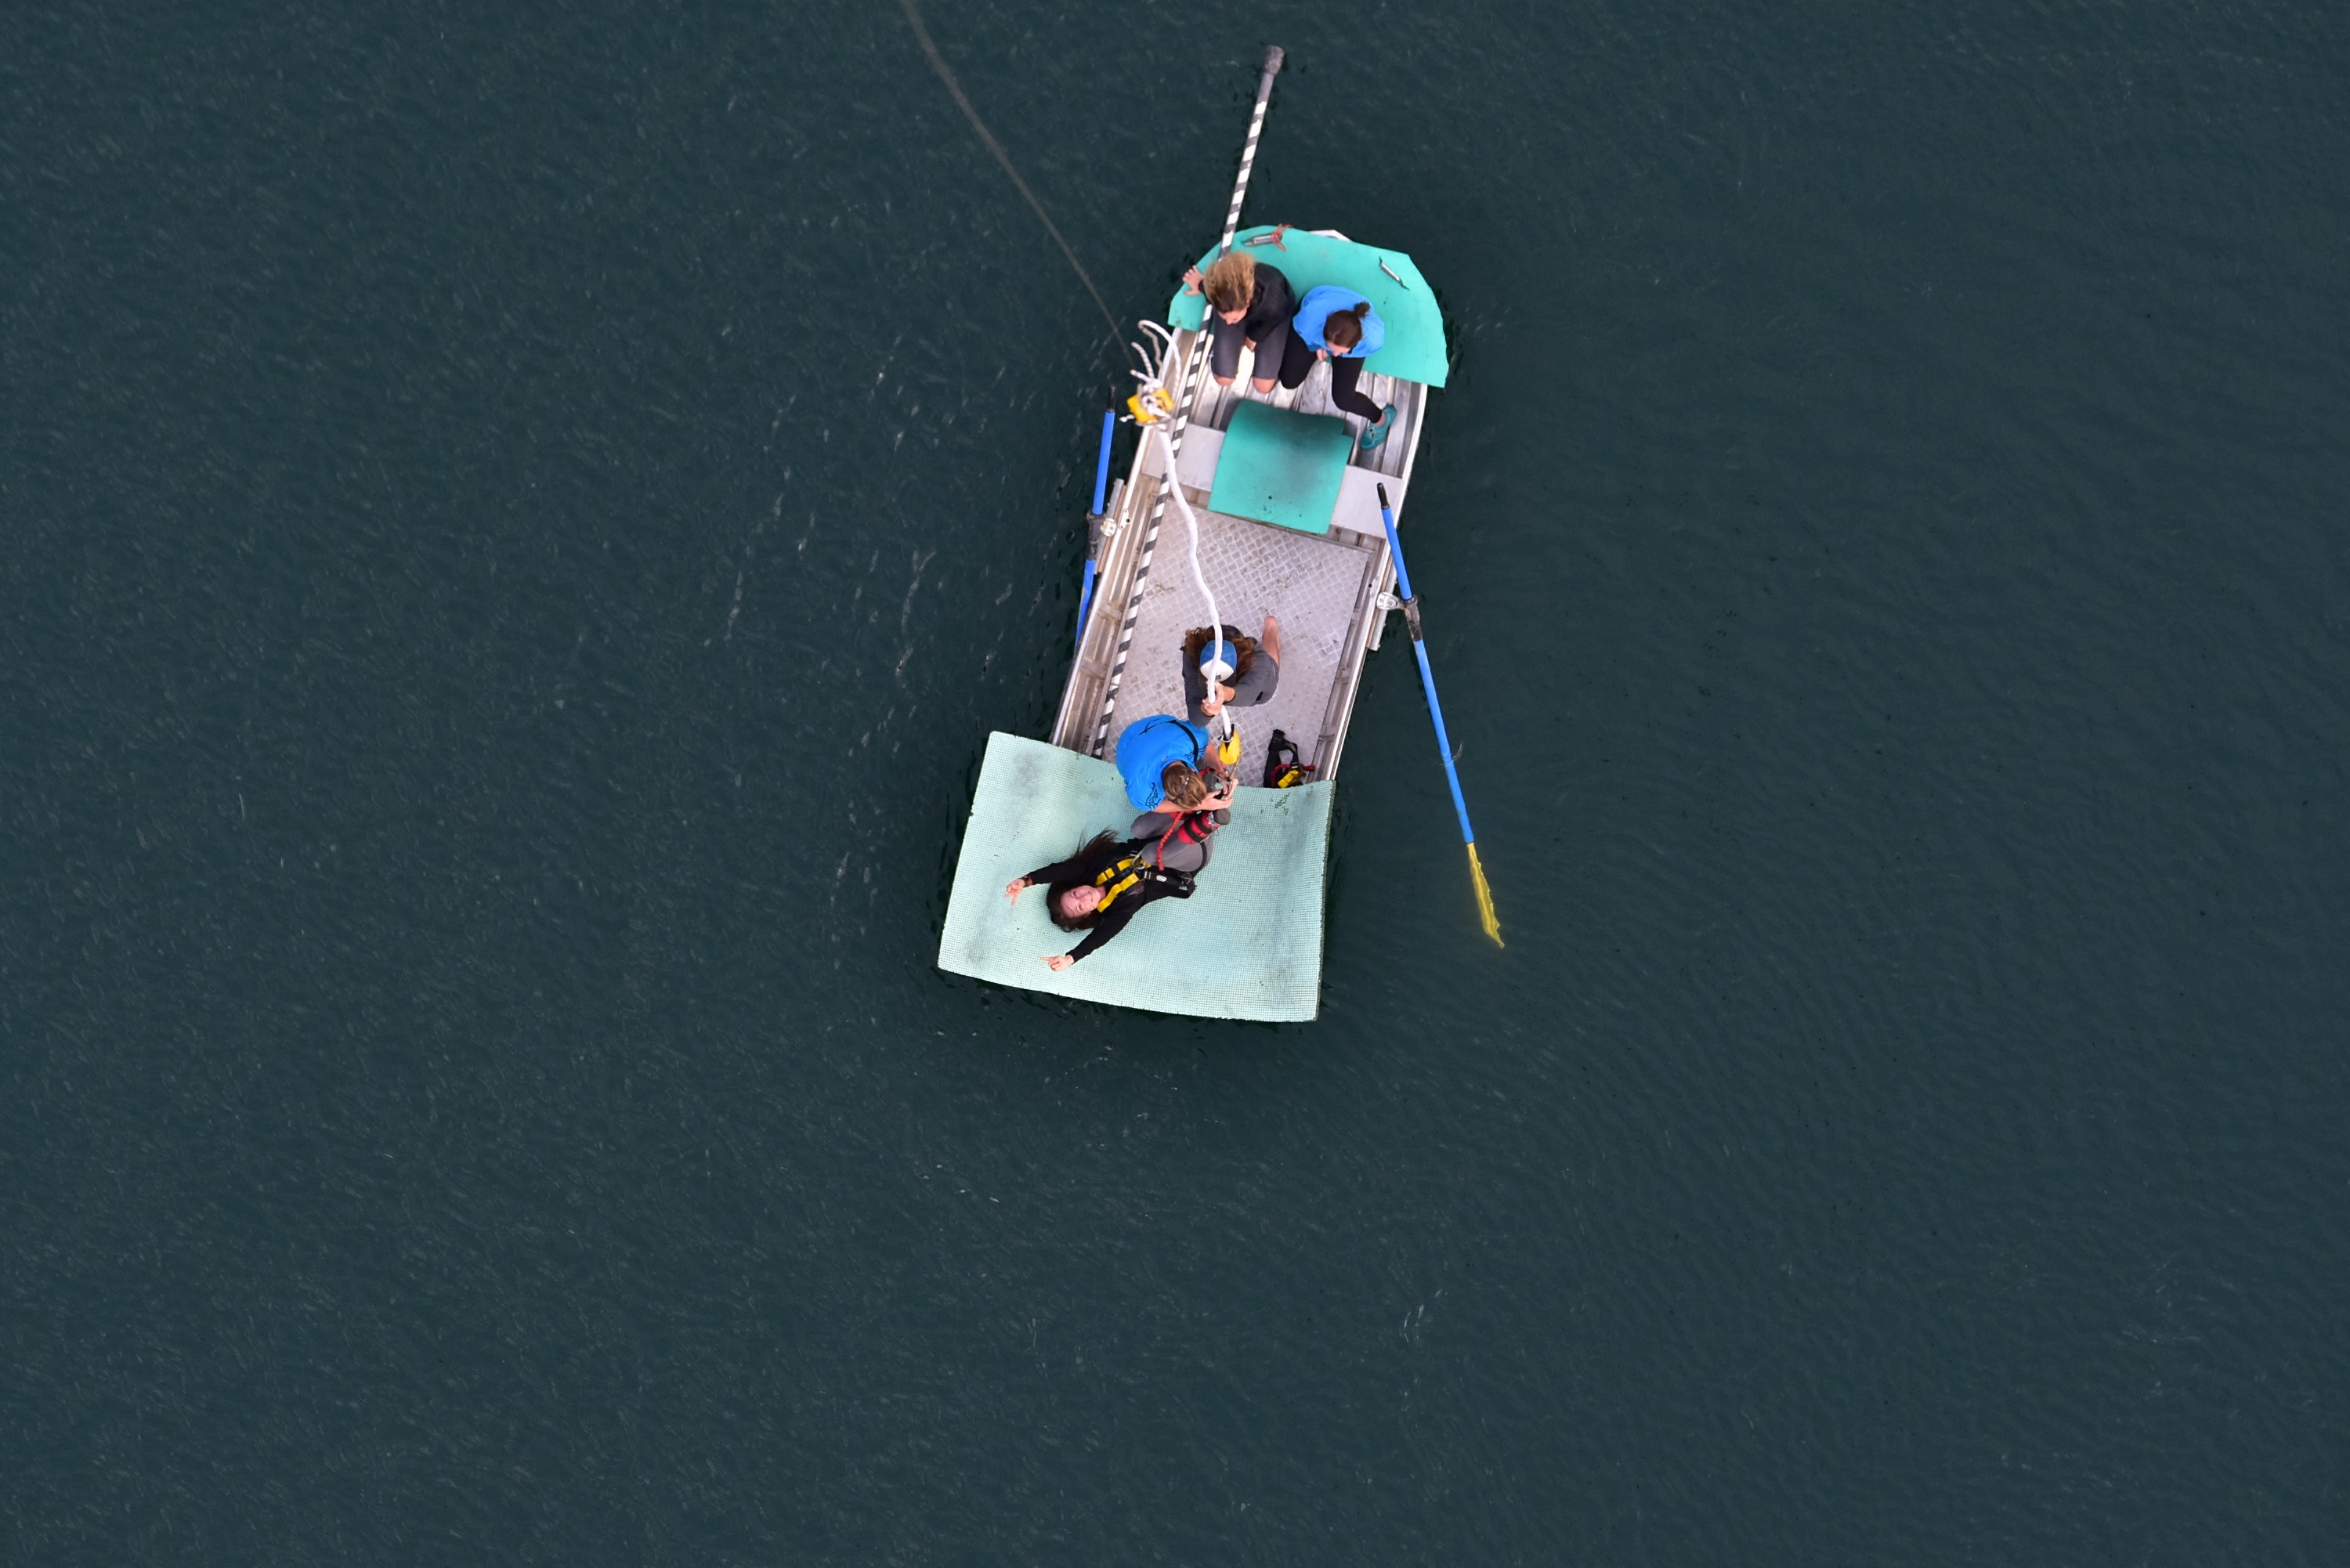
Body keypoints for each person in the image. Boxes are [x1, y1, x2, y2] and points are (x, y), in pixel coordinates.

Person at [1003, 819, 1218, 970]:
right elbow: (1099, 938)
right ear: (1087, 914)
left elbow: (1059, 870)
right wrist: (1071, 958)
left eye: (1075, 893)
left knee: (1140, 827)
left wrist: (1026, 880)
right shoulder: (1119, 911)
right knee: (1152, 854)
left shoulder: (1090, 870)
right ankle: (1210, 821)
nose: (1083, 897)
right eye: (1080, 907)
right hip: (1192, 853)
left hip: (1174, 826)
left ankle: (1198, 791)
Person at [1277, 284, 1398, 450]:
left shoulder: (1371, 339)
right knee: (1289, 381)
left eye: (1339, 352)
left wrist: (1332, 349)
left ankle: (1382, 419)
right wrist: (1316, 347)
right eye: (1330, 348)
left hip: (1341, 340)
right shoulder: (1309, 318)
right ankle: (1328, 346)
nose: (1334, 356)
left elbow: (1341, 349)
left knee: (1344, 399)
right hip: (1317, 324)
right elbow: (1301, 330)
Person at [1182, 251, 1296, 396]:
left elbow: (1278, 315)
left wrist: (1254, 336)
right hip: (1242, 309)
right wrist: (1199, 284)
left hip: (1272, 317)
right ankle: (1218, 357)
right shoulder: (1220, 297)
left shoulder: (1274, 304)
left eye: (1233, 319)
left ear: (1248, 302)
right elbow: (1212, 290)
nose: (1229, 323)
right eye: (1223, 317)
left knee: (1263, 386)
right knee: (1223, 378)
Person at [1113, 712, 1238, 815]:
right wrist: (1198, 806)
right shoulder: (1141, 791)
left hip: (1144, 731)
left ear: (1193, 771)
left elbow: (1205, 744)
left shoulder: (1194, 738)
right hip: (1128, 748)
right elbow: (1155, 806)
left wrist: (1219, 769)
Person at [1181, 617, 1283, 727]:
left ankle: (1270, 629)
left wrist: (1226, 694)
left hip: (1260, 675)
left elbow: (1251, 691)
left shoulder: (1257, 658)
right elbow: (1196, 717)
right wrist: (1206, 711)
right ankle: (1270, 625)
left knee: (1272, 666)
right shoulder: (1191, 654)